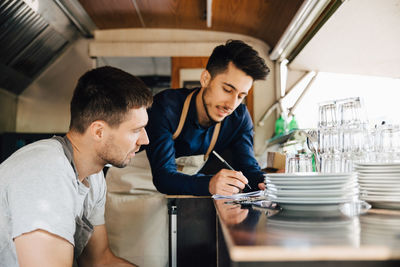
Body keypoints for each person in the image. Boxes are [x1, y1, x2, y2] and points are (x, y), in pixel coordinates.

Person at [0, 66, 152, 267]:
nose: (145, 140)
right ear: (98, 132)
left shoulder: (94, 177)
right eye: (136, 130)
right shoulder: (46, 172)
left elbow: (99, 261)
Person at [145, 40, 270, 196]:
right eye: (227, 90)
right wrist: (209, 184)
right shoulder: (165, 108)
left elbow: (249, 170)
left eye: (240, 96)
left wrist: (271, 182)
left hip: (184, 191)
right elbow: (163, 176)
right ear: (205, 79)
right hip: (137, 190)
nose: (231, 105)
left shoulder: (239, 118)